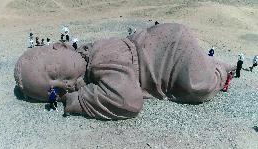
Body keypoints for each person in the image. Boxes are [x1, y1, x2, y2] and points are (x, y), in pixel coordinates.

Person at [14, 23, 235, 120]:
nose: (64, 85)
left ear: (60, 46)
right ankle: (211, 63)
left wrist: (76, 101)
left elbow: (128, 101)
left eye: (54, 72)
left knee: (199, 85)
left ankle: (222, 69)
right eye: (54, 89)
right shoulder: (90, 68)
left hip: (170, 51)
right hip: (158, 48)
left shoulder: (100, 57)